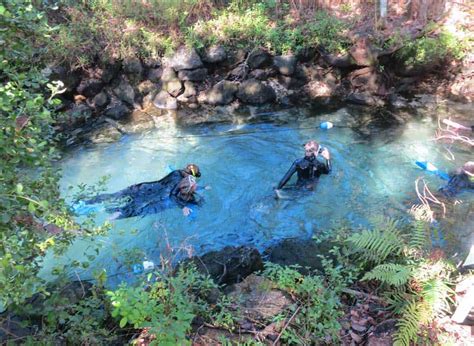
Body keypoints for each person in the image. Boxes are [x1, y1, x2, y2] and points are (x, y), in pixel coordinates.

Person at [83, 163, 202, 218]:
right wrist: (183, 207)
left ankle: (88, 202)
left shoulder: (175, 172)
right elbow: (175, 195)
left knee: (115, 196)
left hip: (143, 187)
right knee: (128, 210)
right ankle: (106, 213)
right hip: (153, 197)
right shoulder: (182, 187)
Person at [108, 175, 202, 219]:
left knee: (134, 205)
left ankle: (111, 210)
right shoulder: (188, 199)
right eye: (195, 185)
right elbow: (193, 214)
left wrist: (204, 187)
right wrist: (185, 208)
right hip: (161, 205)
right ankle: (113, 216)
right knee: (139, 211)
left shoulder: (176, 185)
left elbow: (182, 190)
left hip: (158, 197)